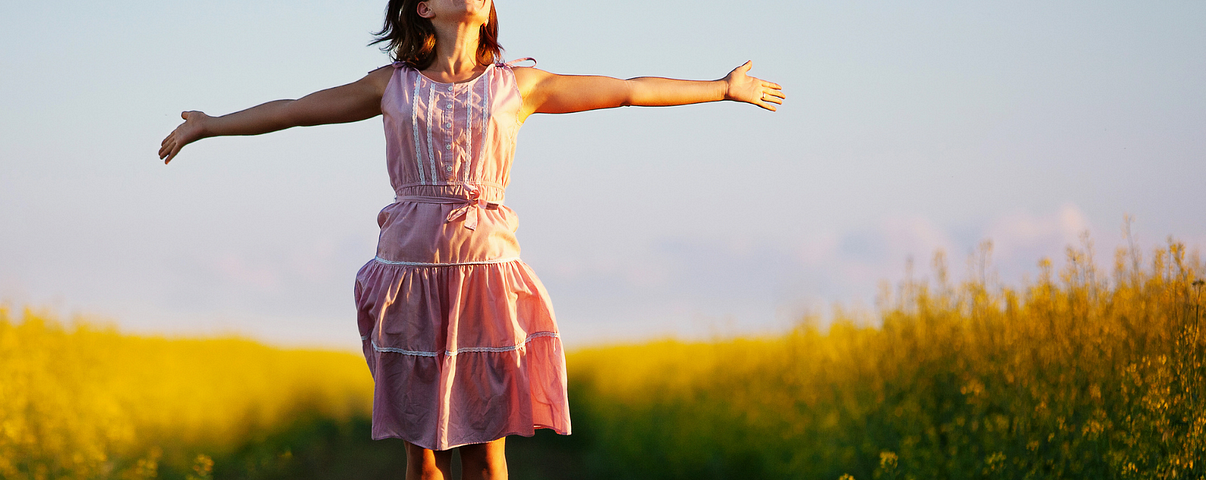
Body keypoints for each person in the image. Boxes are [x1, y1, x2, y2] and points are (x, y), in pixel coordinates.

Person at [158, 0, 783, 478]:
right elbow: (296, 108)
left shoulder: (519, 85)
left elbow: (626, 91)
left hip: (486, 280)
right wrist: (211, 125)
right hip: (409, 279)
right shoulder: (391, 85)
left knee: (486, 461)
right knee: (424, 465)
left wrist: (721, 88)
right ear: (423, 6)